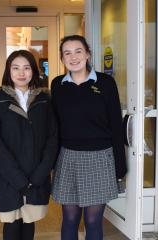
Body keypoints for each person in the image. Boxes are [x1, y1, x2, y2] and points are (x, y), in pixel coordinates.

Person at [50, 35, 127, 240]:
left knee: (93, 221)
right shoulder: (57, 85)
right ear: (62, 58)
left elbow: (116, 126)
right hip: (68, 158)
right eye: (67, 53)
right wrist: (52, 162)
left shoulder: (105, 83)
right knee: (70, 218)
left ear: (87, 54)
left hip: (100, 159)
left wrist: (120, 165)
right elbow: (55, 127)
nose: (73, 57)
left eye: (78, 51)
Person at [0, 50, 58, 240]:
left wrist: (41, 173)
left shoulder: (44, 99)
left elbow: (52, 138)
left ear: (34, 71)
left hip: (37, 174)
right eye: (15, 68)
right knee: (12, 223)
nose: (21, 73)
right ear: (8, 71)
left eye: (26, 68)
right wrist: (17, 178)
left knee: (29, 221)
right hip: (7, 175)